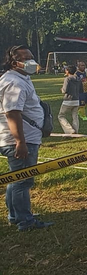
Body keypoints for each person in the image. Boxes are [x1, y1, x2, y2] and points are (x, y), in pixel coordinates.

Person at [0, 45, 54, 231]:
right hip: (21, 140)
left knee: (16, 179)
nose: (32, 61)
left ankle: (15, 215)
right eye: (27, 58)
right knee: (23, 180)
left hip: (23, 138)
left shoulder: (21, 78)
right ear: (15, 63)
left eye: (32, 57)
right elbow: (13, 113)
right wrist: (20, 142)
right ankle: (25, 221)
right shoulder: (14, 82)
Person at [58, 65, 81, 134]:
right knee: (75, 116)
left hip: (68, 100)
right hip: (76, 100)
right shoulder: (78, 79)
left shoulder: (67, 79)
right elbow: (81, 90)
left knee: (61, 115)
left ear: (67, 71)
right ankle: (76, 130)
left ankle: (69, 130)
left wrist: (61, 89)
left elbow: (64, 90)